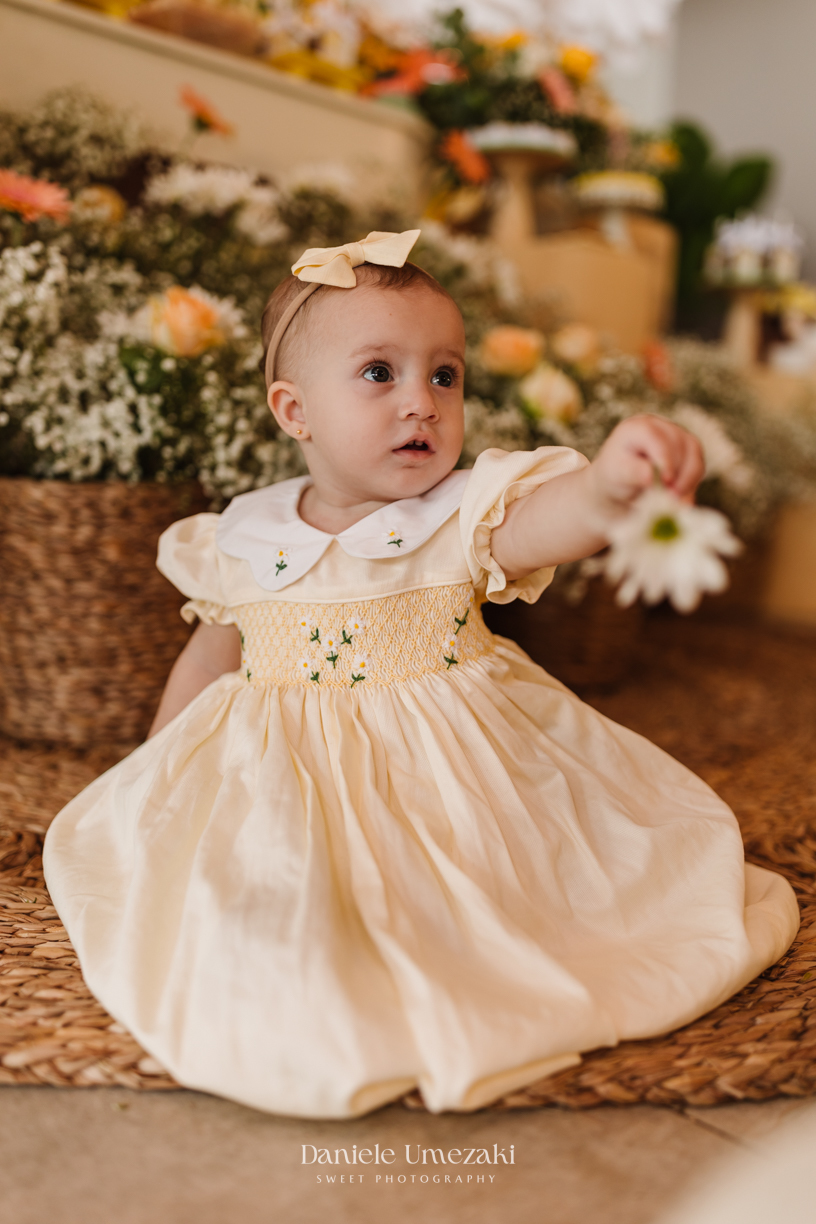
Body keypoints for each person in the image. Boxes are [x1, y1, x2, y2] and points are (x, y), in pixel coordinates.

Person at [43, 230, 799, 1119]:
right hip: (289, 773)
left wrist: (609, 487)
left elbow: (546, 522)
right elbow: (212, 654)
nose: (423, 403)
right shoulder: (239, 536)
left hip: (456, 772)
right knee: (266, 910)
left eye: (445, 374)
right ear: (295, 411)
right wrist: (155, 776)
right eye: (380, 373)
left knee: (505, 906)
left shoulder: (455, 513)